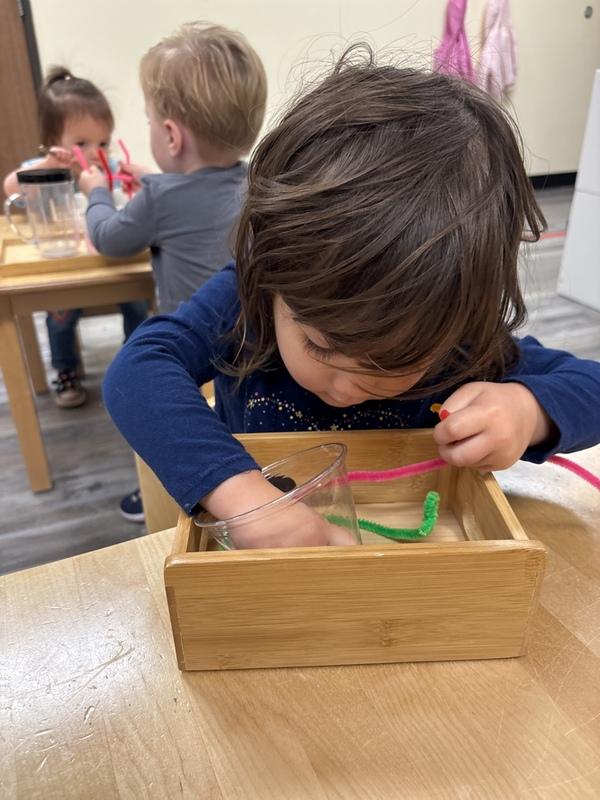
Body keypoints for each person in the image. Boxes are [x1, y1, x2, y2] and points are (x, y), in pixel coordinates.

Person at [103, 46, 600, 547]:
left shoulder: (457, 334)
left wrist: (527, 410)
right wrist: (250, 504)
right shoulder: (252, 293)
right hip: (258, 553)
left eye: (391, 363)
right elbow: (138, 370)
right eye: (321, 347)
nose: (344, 388)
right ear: (271, 274)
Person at [78, 22, 267, 521]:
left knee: (163, 414)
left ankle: (160, 493)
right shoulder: (258, 184)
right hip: (248, 347)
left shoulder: (159, 198)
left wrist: (95, 190)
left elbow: (108, 237)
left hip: (191, 351)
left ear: (169, 135)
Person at [3, 67, 148, 408]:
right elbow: (10, 186)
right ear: (53, 142)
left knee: (138, 306)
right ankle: (66, 370)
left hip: (108, 259)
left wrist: (133, 181)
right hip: (65, 263)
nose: (94, 152)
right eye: (81, 143)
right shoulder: (45, 169)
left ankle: (136, 362)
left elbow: (127, 204)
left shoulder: (107, 168)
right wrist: (47, 163)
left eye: (102, 142)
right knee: (60, 316)